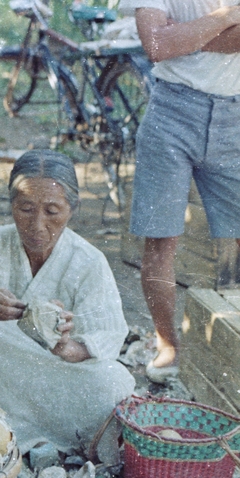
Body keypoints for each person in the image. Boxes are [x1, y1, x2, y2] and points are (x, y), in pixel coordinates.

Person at [0, 150, 136, 452]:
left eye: (52, 211)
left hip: (53, 370)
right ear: (12, 206)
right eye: (26, 209)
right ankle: (2, 430)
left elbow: (108, 333)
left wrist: (69, 348)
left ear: (72, 209)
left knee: (114, 382)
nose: (37, 225)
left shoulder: (87, 261)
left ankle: (26, 432)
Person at [119, 0, 240, 382]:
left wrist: (184, 36)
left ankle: (230, 341)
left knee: (235, 237)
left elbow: (169, 41)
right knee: (160, 238)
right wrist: (225, 17)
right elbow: (156, 46)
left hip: (234, 115)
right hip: (171, 112)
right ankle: (168, 345)